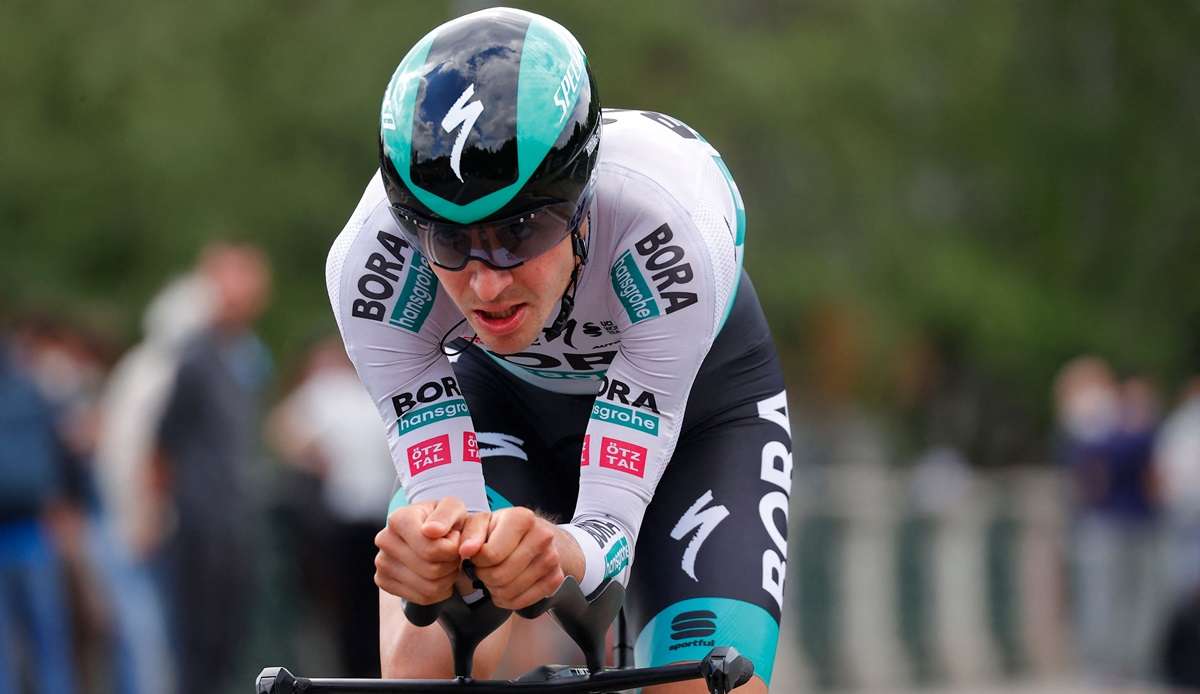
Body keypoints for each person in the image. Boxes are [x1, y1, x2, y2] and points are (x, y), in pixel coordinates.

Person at [326, 8, 792, 692]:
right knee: (427, 655)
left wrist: (562, 551)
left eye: (520, 232)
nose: (486, 283)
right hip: (502, 395)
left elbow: (608, 530)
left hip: (702, 407)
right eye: (449, 241)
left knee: (705, 685)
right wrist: (439, 557)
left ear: (581, 201)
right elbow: (450, 514)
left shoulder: (669, 230)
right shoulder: (373, 270)